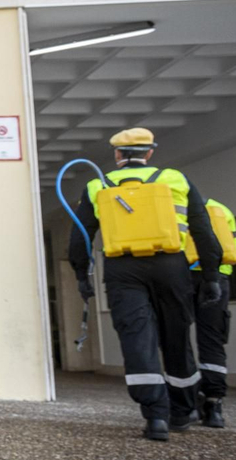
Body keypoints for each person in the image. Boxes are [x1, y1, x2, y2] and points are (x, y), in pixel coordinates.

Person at [68, 127, 222, 442]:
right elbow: (203, 230)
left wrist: (81, 276)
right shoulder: (175, 179)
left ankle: (155, 417)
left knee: (137, 339)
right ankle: (181, 412)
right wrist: (210, 276)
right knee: (176, 337)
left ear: (117, 155)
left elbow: (80, 237)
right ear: (150, 152)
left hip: (122, 270)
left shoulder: (99, 185)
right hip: (171, 266)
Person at [193, 197, 236, 428]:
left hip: (183, 277)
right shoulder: (223, 209)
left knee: (176, 336)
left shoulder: (172, 207)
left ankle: (186, 401)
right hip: (219, 279)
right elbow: (233, 248)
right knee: (212, 340)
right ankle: (214, 404)